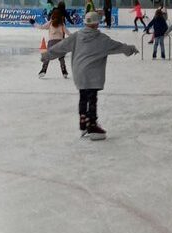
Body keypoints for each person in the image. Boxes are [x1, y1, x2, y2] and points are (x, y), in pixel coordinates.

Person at [40, 12, 139, 140]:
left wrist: (46, 55)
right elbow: (118, 46)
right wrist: (130, 49)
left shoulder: (76, 36)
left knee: (83, 97)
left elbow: (61, 47)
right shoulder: (102, 39)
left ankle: (83, 121)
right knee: (92, 98)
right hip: (93, 76)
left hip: (79, 73)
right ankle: (92, 124)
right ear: (97, 23)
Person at [30, 9, 71, 78]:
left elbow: (41, 27)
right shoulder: (61, 24)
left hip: (51, 42)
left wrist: (34, 23)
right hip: (60, 42)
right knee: (61, 57)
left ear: (53, 15)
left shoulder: (50, 23)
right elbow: (68, 33)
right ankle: (64, 71)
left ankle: (43, 70)